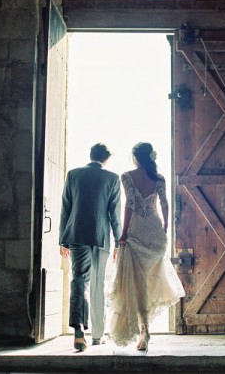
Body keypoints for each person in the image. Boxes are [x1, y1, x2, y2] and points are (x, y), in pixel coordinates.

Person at [109, 142, 185, 351]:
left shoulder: (126, 176)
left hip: (135, 231)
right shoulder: (159, 179)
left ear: (135, 157)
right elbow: (164, 204)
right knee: (149, 282)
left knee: (136, 284)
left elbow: (131, 204)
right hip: (154, 231)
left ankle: (145, 332)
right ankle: (144, 331)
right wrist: (166, 226)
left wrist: (123, 234)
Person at [59, 143, 122, 351]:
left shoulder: (73, 174)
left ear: (91, 155)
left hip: (76, 234)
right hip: (101, 236)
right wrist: (118, 241)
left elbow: (65, 208)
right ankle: (97, 335)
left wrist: (62, 239)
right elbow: (115, 215)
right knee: (97, 283)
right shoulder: (112, 178)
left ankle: (78, 330)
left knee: (79, 280)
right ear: (106, 159)